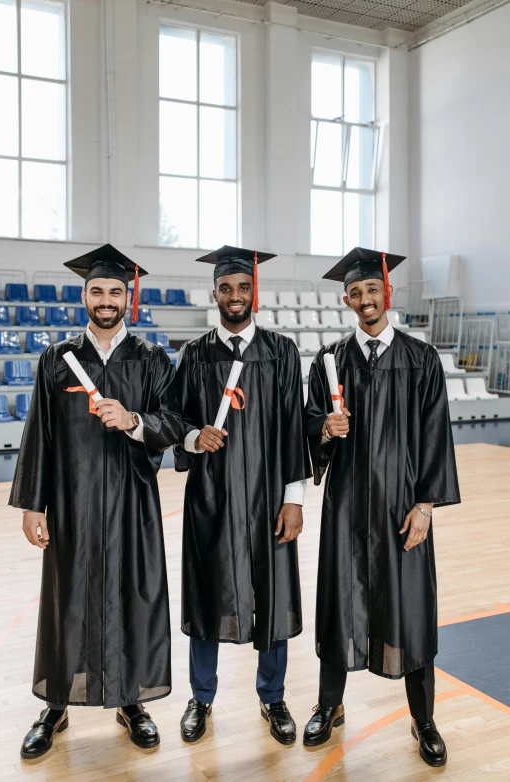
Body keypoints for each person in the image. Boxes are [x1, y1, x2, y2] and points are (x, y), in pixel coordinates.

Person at [10, 244, 184, 759]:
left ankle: (131, 701)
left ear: (127, 298)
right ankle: (57, 702)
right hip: (73, 502)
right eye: (97, 291)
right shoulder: (58, 359)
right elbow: (38, 433)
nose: (106, 300)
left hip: (132, 502)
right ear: (84, 295)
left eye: (115, 291)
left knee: (133, 596)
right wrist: (32, 504)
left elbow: (175, 422)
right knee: (68, 599)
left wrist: (134, 421)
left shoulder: (151, 360)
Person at [303, 247, 460, 768]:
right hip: (346, 505)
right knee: (338, 606)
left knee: (410, 608)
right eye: (356, 292)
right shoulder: (330, 361)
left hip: (402, 508)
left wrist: (426, 504)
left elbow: (436, 436)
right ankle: (329, 706)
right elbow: (307, 431)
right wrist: (325, 428)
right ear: (345, 299)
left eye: (373, 290)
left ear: (385, 293)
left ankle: (424, 716)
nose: (365, 299)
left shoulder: (421, 359)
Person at [169, 246, 312, 745]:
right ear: (214, 294)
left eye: (243, 287)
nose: (234, 296)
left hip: (269, 496)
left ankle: (272, 697)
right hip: (210, 495)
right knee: (207, 592)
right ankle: (200, 696)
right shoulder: (195, 354)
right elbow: (173, 417)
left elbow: (295, 425)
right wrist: (192, 437)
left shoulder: (282, 352)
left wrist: (293, 496)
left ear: (255, 291)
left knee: (270, 594)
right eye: (225, 288)